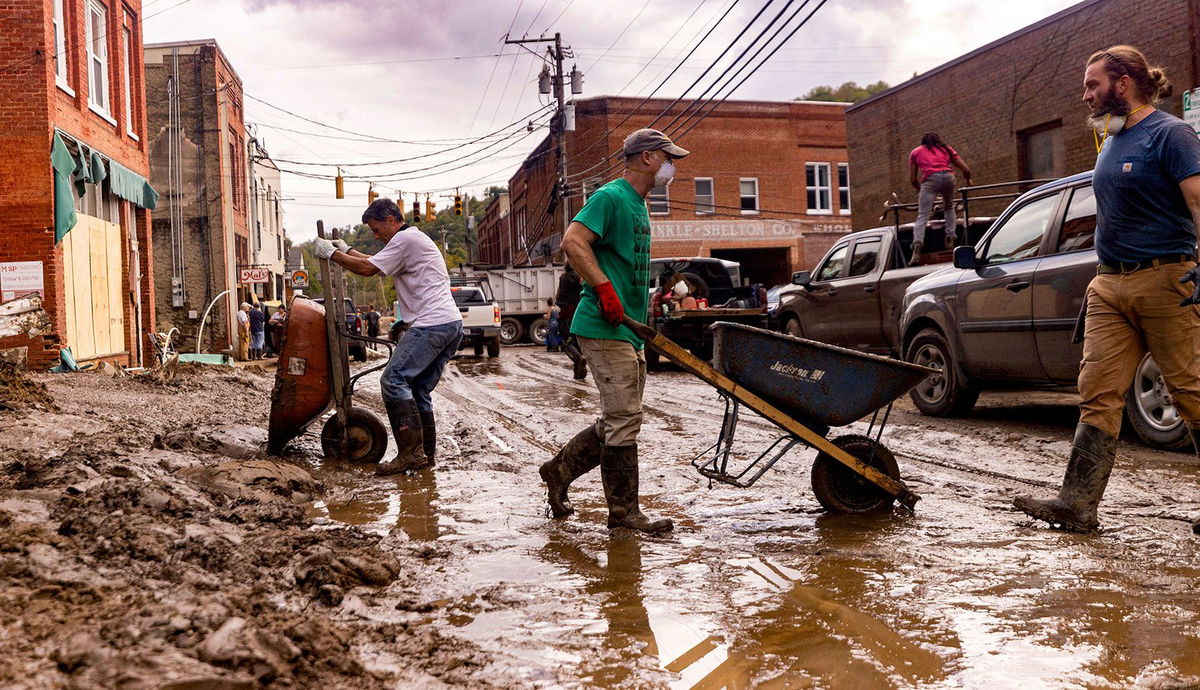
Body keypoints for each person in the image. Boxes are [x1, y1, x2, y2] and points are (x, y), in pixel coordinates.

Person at [1014, 46, 1200, 534]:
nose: (1086, 94)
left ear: (1123, 82)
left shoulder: (1171, 134)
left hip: (1166, 280)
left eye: (1092, 84)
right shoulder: (1111, 139)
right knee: (1097, 393)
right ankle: (1077, 504)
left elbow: (1199, 200)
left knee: (1190, 391)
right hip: (1109, 284)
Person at [539, 128, 689, 534]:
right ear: (647, 158)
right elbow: (573, 241)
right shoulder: (611, 197)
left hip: (628, 330)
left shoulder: (639, 205)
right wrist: (603, 288)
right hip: (604, 326)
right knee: (624, 417)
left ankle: (557, 471)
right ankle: (624, 514)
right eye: (668, 157)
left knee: (616, 420)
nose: (672, 166)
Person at [313, 199, 464, 476]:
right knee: (417, 389)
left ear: (392, 219)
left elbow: (368, 270)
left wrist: (331, 254)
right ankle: (423, 456)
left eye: (376, 228)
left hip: (432, 323)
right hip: (449, 323)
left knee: (393, 380)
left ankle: (410, 455)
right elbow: (373, 262)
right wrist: (346, 250)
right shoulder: (410, 240)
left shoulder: (405, 240)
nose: (376, 235)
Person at [908, 132, 972, 264]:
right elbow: (966, 169)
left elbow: (913, 179)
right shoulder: (946, 149)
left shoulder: (916, 152)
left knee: (923, 215)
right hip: (948, 177)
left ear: (923, 142)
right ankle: (950, 237)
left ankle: (917, 244)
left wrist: (921, 190)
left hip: (930, 179)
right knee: (949, 208)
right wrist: (968, 180)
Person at [555, 263, 587, 380]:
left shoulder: (563, 278)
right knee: (577, 341)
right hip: (579, 313)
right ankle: (578, 371)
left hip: (566, 314)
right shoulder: (581, 277)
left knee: (567, 344)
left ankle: (577, 358)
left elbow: (558, 296)